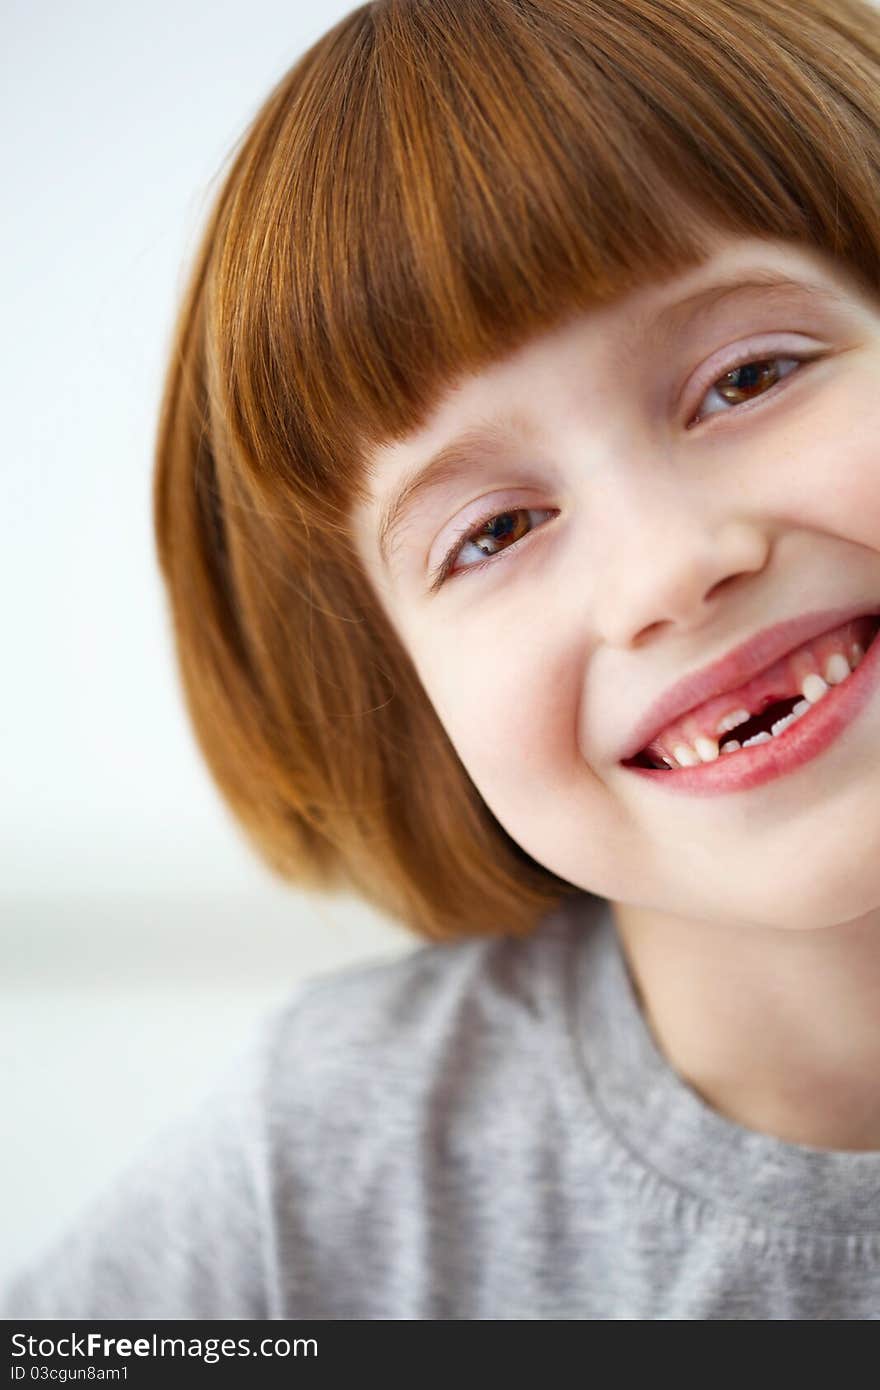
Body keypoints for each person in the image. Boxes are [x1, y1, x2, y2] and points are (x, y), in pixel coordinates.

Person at [4, 0, 880, 1320]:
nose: (663, 570)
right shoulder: (324, 1174)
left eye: (750, 378)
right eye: (499, 530)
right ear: (401, 701)